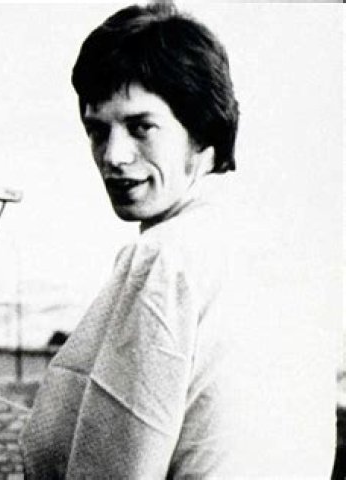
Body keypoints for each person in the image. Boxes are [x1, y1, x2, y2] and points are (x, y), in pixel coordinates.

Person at [20, 4, 335, 478]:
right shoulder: (278, 249)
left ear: (201, 128)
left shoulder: (166, 256)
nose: (113, 155)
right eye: (97, 130)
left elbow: (116, 464)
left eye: (141, 127)